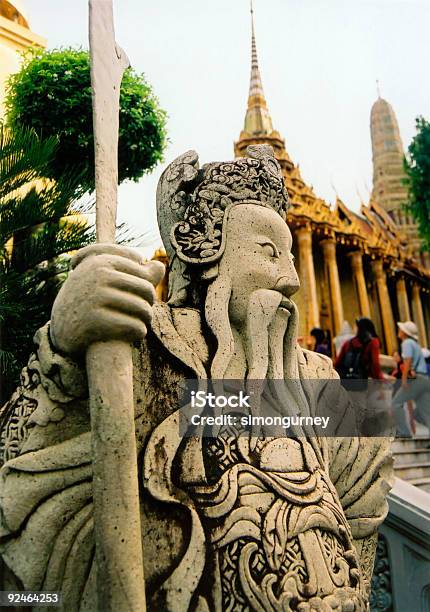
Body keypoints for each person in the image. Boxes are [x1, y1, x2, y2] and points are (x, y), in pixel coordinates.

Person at [0, 146, 392, 610]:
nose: (291, 279)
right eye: (269, 252)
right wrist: (62, 350)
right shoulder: (143, 353)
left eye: (289, 255)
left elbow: (363, 505)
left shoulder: (314, 380)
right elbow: (14, 456)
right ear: (201, 249)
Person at [392, 321, 430, 437]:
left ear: (405, 332)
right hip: (424, 379)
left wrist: (403, 379)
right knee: (425, 412)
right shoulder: (415, 344)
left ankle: (404, 432)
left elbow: (408, 360)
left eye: (401, 329)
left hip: (416, 378)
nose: (399, 331)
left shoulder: (407, 342)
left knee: (395, 403)